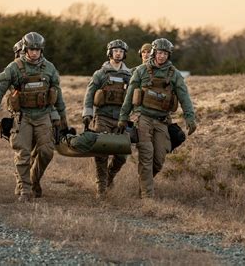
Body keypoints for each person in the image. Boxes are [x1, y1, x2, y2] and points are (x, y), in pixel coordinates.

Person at [0, 32, 67, 202]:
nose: (34, 52)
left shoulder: (50, 68)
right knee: (23, 154)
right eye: (31, 49)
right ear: (25, 48)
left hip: (43, 116)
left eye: (37, 49)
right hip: (22, 117)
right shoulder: (14, 67)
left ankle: (34, 179)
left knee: (46, 152)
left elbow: (57, 93)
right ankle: (25, 189)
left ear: (41, 50)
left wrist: (62, 116)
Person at [118, 38, 197, 199]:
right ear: (154, 53)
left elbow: (184, 96)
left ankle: (143, 186)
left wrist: (190, 118)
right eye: (159, 53)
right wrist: (123, 117)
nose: (162, 56)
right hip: (144, 119)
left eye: (165, 54)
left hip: (162, 121)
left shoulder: (174, 74)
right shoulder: (141, 71)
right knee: (146, 156)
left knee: (159, 160)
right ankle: (148, 197)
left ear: (169, 55)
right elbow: (129, 96)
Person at [82, 39, 132, 198]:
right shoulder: (100, 74)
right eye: (115, 50)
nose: (118, 53)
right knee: (101, 153)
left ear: (124, 54)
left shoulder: (129, 75)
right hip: (102, 117)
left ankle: (110, 175)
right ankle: (101, 186)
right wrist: (87, 113)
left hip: (121, 119)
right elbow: (89, 94)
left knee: (122, 155)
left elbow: (133, 97)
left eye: (121, 51)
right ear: (110, 53)